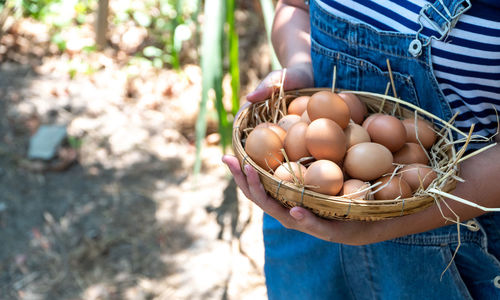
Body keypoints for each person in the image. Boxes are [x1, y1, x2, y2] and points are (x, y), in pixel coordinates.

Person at [223, 0, 500, 298]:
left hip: (450, 247)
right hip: (306, 225)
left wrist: (377, 227)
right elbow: (294, 6)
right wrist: (301, 67)